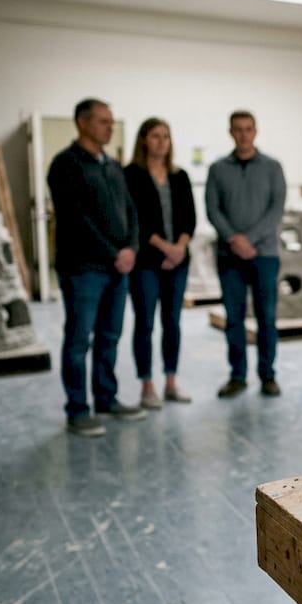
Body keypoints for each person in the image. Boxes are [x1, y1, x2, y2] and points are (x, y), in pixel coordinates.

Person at [49, 98, 145, 437]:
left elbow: (131, 211)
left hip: (118, 268)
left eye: (111, 121)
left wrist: (132, 247)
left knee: (110, 336)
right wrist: (113, 253)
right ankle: (78, 410)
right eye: (103, 121)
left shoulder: (113, 165)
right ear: (83, 123)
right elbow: (76, 219)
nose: (109, 127)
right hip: (83, 269)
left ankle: (106, 398)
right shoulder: (66, 164)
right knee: (79, 340)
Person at [205, 110, 287, 398]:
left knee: (266, 318)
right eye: (238, 129)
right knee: (234, 319)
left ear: (255, 131)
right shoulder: (217, 169)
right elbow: (212, 209)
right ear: (231, 132)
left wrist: (248, 240)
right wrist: (233, 239)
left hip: (264, 255)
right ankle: (237, 376)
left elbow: (276, 209)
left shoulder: (272, 167)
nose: (243, 134)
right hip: (229, 258)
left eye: (248, 129)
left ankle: (268, 375)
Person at [123, 117, 197, 409]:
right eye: (155, 136)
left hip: (178, 261)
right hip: (146, 262)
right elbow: (136, 219)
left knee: (172, 323)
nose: (161, 142)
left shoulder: (180, 176)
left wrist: (179, 248)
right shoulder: (131, 175)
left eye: (166, 136)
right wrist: (166, 248)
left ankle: (170, 382)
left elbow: (190, 217)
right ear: (144, 140)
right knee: (145, 323)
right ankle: (147, 386)